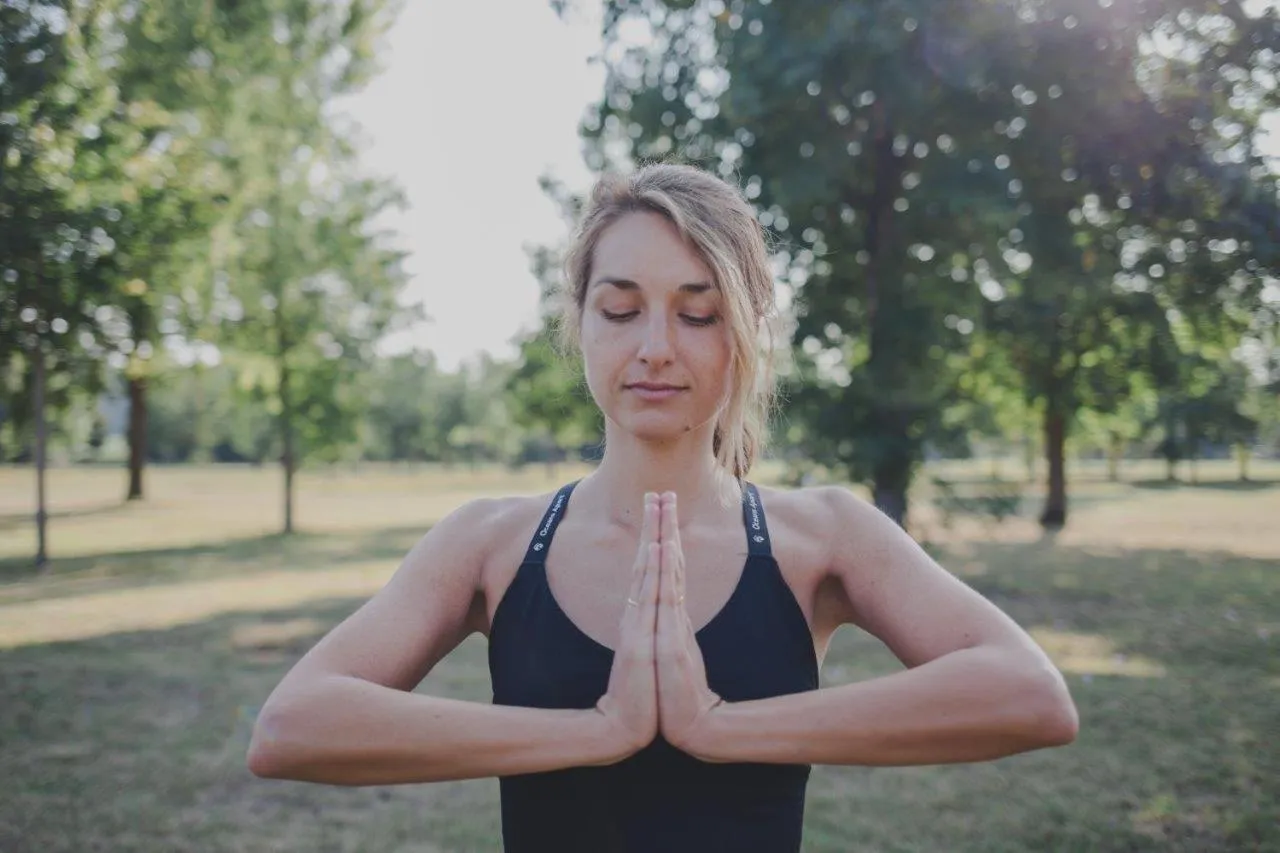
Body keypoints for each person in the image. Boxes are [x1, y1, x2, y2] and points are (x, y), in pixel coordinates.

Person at [246, 164, 1079, 851]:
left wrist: (718, 726)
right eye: (620, 308)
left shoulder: (823, 537)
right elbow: (291, 727)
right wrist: (598, 731)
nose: (654, 346)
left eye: (698, 312)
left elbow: (1029, 696)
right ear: (580, 322)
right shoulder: (489, 542)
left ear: (748, 330)